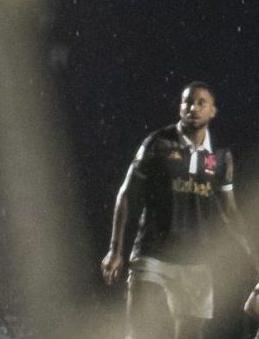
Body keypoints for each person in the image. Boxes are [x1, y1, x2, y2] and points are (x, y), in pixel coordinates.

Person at [100, 81, 258, 339]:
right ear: (180, 107)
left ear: (212, 112)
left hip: (196, 262)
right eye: (187, 102)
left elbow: (230, 212)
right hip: (152, 254)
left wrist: (253, 256)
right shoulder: (157, 143)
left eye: (200, 103)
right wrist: (115, 250)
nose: (192, 108)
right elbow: (126, 195)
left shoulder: (220, 157)